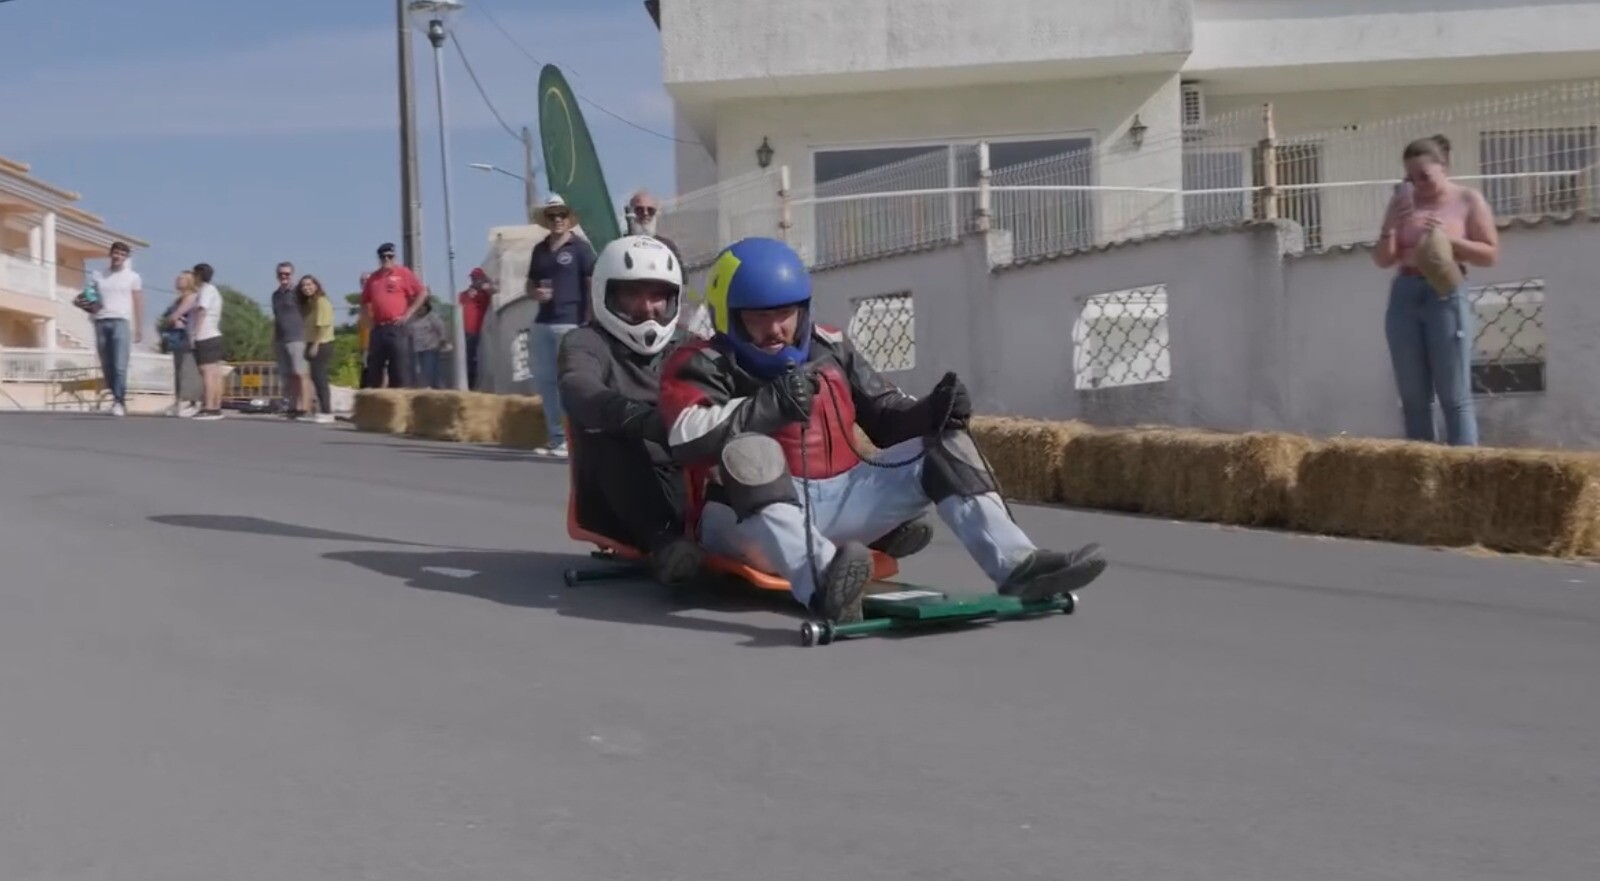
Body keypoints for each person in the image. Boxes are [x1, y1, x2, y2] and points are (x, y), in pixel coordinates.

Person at [658, 237, 1107, 624]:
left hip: (837, 498)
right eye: (758, 318)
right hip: (743, 521)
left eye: (785, 313)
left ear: (802, 310)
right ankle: (824, 583)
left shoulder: (832, 346)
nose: (776, 329)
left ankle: (1018, 564)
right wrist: (766, 407)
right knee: (751, 452)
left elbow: (884, 413)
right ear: (729, 317)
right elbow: (685, 437)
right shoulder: (699, 362)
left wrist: (931, 413)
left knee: (943, 444)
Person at [555, 235, 704, 585]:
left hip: (685, 480)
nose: (648, 307)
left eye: (658, 295)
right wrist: (641, 418)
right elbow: (577, 386)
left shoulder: (690, 346)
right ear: (606, 294)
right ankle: (666, 545)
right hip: (618, 497)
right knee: (605, 432)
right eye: (633, 294)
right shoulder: (585, 342)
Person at [1373, 135, 1499, 446]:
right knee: (1413, 397)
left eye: (1424, 176)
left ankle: (1463, 466)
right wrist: (1390, 224)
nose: (1418, 184)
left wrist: (1448, 240)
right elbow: (1384, 259)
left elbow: (1489, 254)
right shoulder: (1403, 203)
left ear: (1444, 167)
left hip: (1445, 291)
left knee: (1454, 395)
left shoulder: (1467, 199)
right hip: (1405, 292)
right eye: (1410, 178)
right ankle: (1421, 467)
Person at [525, 196, 596, 458]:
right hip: (543, 322)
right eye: (552, 215)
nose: (557, 219)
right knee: (546, 383)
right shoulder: (539, 249)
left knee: (568, 382)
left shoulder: (581, 249)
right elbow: (530, 283)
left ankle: (572, 439)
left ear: (568, 219)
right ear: (546, 219)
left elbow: (591, 283)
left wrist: (589, 319)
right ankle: (556, 438)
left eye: (561, 215)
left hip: (571, 322)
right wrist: (535, 293)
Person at [85, 241, 144, 417]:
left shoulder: (133, 277)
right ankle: (115, 396)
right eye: (116, 253)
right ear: (111, 254)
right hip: (101, 321)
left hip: (121, 321)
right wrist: (92, 308)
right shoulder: (98, 275)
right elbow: (89, 295)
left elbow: (138, 301)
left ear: (126, 258)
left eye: (122, 254)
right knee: (106, 364)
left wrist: (139, 327)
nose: (118, 257)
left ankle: (119, 401)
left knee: (120, 364)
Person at [361, 242, 426, 389]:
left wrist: (407, 314)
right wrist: (368, 321)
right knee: (374, 368)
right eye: (383, 257)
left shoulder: (403, 273)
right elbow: (364, 301)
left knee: (400, 369)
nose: (387, 259)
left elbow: (422, 292)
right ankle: (376, 396)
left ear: (394, 257)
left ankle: (399, 395)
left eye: (390, 256)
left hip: (397, 327)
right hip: (379, 327)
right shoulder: (373, 278)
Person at [270, 261, 313, 418]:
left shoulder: (297, 293)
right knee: (289, 375)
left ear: (292, 275)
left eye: (287, 274)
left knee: (301, 373)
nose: (284, 276)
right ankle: (293, 406)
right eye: (281, 274)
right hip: (281, 339)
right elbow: (277, 317)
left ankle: (305, 407)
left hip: (297, 337)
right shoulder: (275, 295)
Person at [158, 270, 201, 418]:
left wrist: (172, 319)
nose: (178, 280)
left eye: (182, 278)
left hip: (186, 337)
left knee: (187, 369)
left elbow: (175, 316)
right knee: (178, 369)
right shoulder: (178, 299)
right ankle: (178, 401)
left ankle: (190, 402)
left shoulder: (191, 297)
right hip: (177, 337)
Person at [189, 263, 227, 421]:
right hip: (212, 335)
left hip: (205, 335)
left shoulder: (206, 290)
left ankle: (209, 407)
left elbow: (202, 311)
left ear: (198, 275)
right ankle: (215, 407)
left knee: (207, 372)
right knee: (214, 372)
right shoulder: (212, 290)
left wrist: (194, 333)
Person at [298, 274, 337, 423]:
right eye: (303, 285)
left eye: (309, 284)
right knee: (314, 378)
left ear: (316, 285)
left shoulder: (321, 302)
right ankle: (319, 410)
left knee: (320, 378)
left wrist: (315, 345)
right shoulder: (310, 303)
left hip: (322, 343)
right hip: (311, 342)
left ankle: (327, 412)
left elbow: (323, 326)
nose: (306, 288)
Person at [459, 267, 495, 390]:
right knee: (466, 358)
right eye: (473, 278)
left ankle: (471, 384)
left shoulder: (485, 294)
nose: (474, 281)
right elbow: (459, 302)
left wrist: (487, 283)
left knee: (471, 358)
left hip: (474, 330)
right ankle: (468, 384)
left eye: (477, 278)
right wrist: (469, 294)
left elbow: (495, 289)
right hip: (463, 330)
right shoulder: (465, 294)